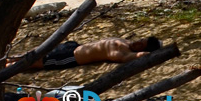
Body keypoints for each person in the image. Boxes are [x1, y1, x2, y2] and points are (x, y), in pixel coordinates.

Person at [33, 37, 162, 70]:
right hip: (74, 46)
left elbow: (141, 56)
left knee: (33, 61)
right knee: (34, 51)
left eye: (141, 45)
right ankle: (11, 59)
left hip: (70, 57)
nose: (138, 42)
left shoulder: (123, 53)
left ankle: (12, 67)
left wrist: (155, 53)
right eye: (141, 40)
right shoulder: (126, 42)